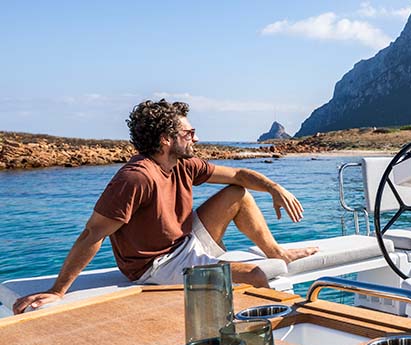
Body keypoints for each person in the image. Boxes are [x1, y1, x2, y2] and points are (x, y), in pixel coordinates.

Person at [13, 100, 318, 314]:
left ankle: (277, 252)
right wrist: (58, 290)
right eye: (188, 134)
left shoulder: (184, 164)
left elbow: (238, 175)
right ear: (165, 140)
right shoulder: (136, 178)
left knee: (237, 194)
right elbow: (93, 233)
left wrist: (275, 188)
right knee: (254, 275)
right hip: (156, 265)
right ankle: (271, 331)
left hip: (183, 243)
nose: (195, 138)